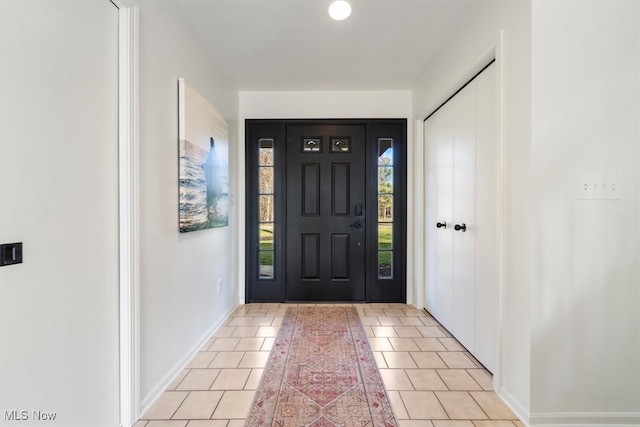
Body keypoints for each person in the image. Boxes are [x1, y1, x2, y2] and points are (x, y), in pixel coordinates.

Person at [202, 137, 222, 216]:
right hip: (212, 181)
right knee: (212, 194)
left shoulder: (213, 153)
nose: (211, 143)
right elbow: (209, 165)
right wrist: (204, 166)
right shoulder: (212, 154)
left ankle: (211, 209)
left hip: (213, 181)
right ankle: (211, 209)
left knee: (212, 194)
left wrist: (204, 166)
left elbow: (210, 165)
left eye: (211, 142)